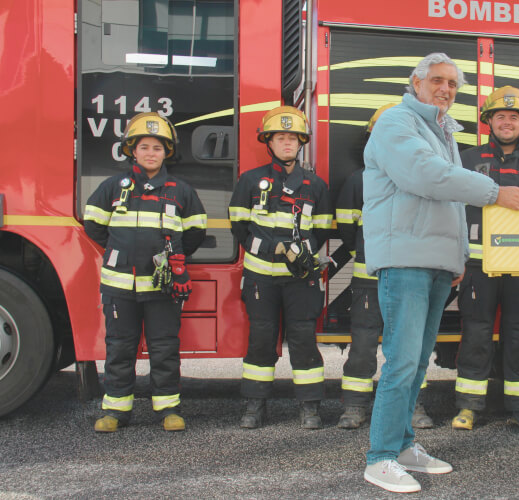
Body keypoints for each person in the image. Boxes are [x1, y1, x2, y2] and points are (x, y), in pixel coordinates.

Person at [361, 52, 519, 494]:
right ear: (415, 82)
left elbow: (450, 203)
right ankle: (379, 457)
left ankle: (403, 446)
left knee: (416, 363)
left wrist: (455, 260)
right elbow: (427, 177)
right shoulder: (397, 123)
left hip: (433, 263)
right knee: (401, 363)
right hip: (405, 261)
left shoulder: (441, 131)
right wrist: (494, 192)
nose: (445, 89)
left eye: (453, 84)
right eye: (437, 81)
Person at [84, 112, 207, 433]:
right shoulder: (113, 187)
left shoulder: (181, 191)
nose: (151, 153)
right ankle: (115, 411)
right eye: (144, 147)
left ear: (167, 152)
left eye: (157, 147)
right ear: (131, 151)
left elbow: (195, 232)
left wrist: (175, 260)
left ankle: (168, 410)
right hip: (119, 287)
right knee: (120, 348)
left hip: (162, 288)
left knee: (164, 348)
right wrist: (119, 250)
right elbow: (93, 226)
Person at [228, 106, 334, 430]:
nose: (287, 143)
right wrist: (270, 248)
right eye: (280, 137)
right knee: (261, 339)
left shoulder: (315, 186)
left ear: (301, 142)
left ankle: (310, 407)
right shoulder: (249, 181)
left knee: (303, 339)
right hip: (261, 278)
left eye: (293, 138)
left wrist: (303, 254)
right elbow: (238, 229)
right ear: (268, 142)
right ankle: (254, 406)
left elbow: (324, 229)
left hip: (300, 280)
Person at [451, 86, 519, 433]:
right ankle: (468, 406)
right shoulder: (466, 160)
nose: (506, 122)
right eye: (500, 116)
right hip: (477, 267)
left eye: (513, 117)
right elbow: (452, 212)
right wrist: (456, 260)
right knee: (475, 334)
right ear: (488, 121)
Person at [336, 103, 434, 430]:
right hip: (369, 279)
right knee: (363, 346)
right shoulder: (357, 182)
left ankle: (411, 406)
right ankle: (354, 407)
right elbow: (348, 230)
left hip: (410, 278)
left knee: (407, 347)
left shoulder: (422, 182)